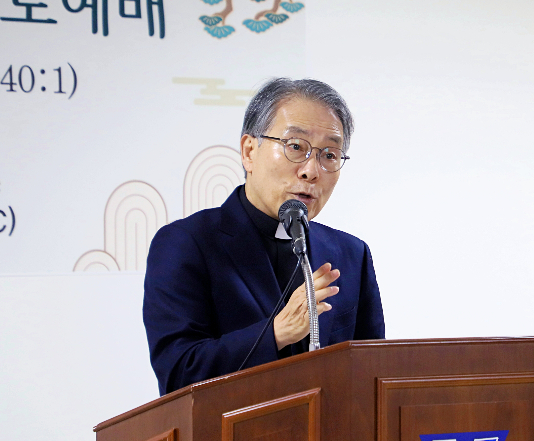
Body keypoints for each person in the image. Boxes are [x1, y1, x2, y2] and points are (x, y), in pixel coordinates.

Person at [143, 78, 385, 395]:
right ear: (249, 151)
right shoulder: (186, 243)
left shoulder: (351, 254)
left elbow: (372, 376)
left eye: (329, 154)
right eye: (296, 147)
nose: (311, 171)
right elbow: (178, 373)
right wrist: (277, 333)